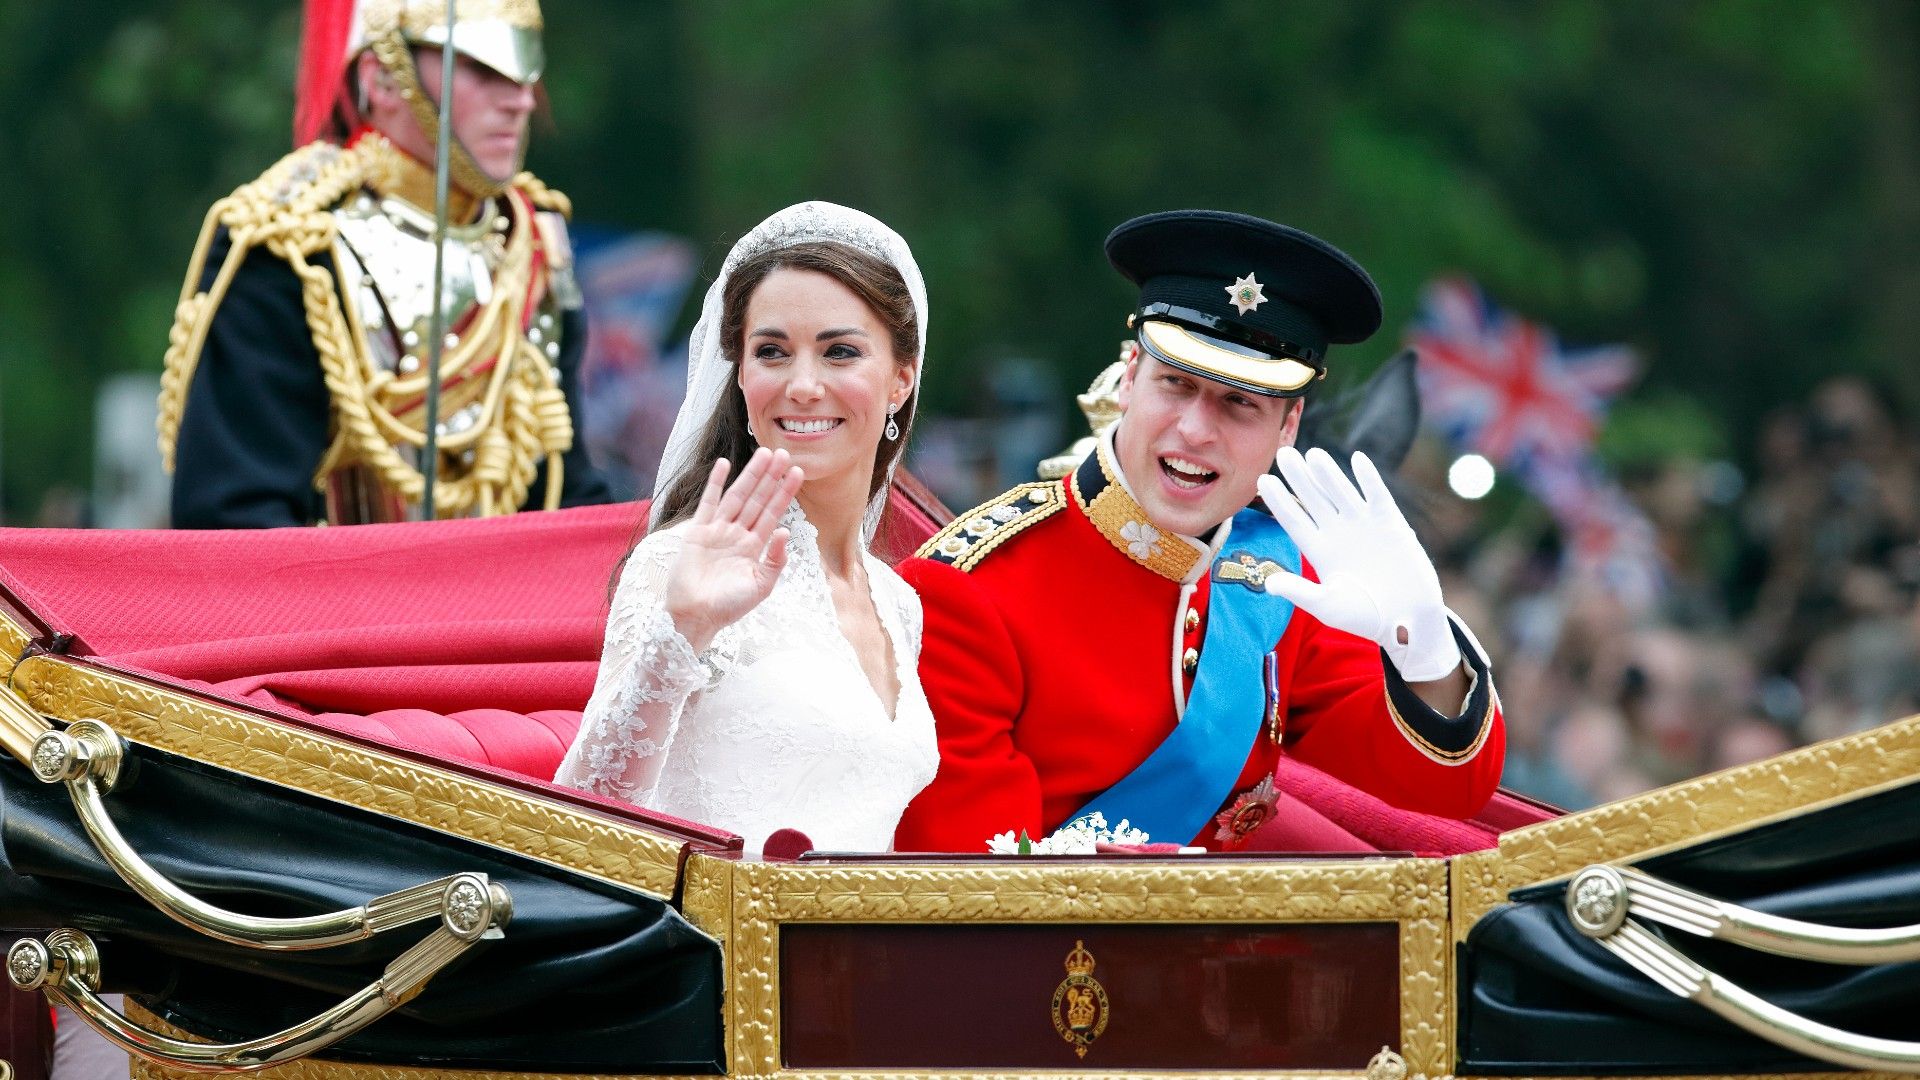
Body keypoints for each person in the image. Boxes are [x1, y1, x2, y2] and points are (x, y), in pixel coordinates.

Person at [894, 210, 1505, 853]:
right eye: (1176, 384)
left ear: (1289, 425)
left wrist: (1425, 652)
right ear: (1130, 376)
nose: (1195, 430)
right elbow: (971, 898)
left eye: (1240, 403)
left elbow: (1445, 793)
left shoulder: (1276, 579)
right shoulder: (968, 589)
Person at [554, 202, 937, 854]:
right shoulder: (678, 563)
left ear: (901, 379)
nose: (804, 385)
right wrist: (682, 633)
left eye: (840, 351)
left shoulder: (899, 604)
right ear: (740, 378)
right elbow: (583, 832)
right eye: (772, 352)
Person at [157, 0, 611, 526]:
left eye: (525, 68)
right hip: (333, 601)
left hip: (509, 600)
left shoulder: (531, 244)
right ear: (384, 80)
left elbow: (563, 488)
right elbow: (236, 516)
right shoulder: (295, 249)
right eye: (484, 69)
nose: (522, 100)